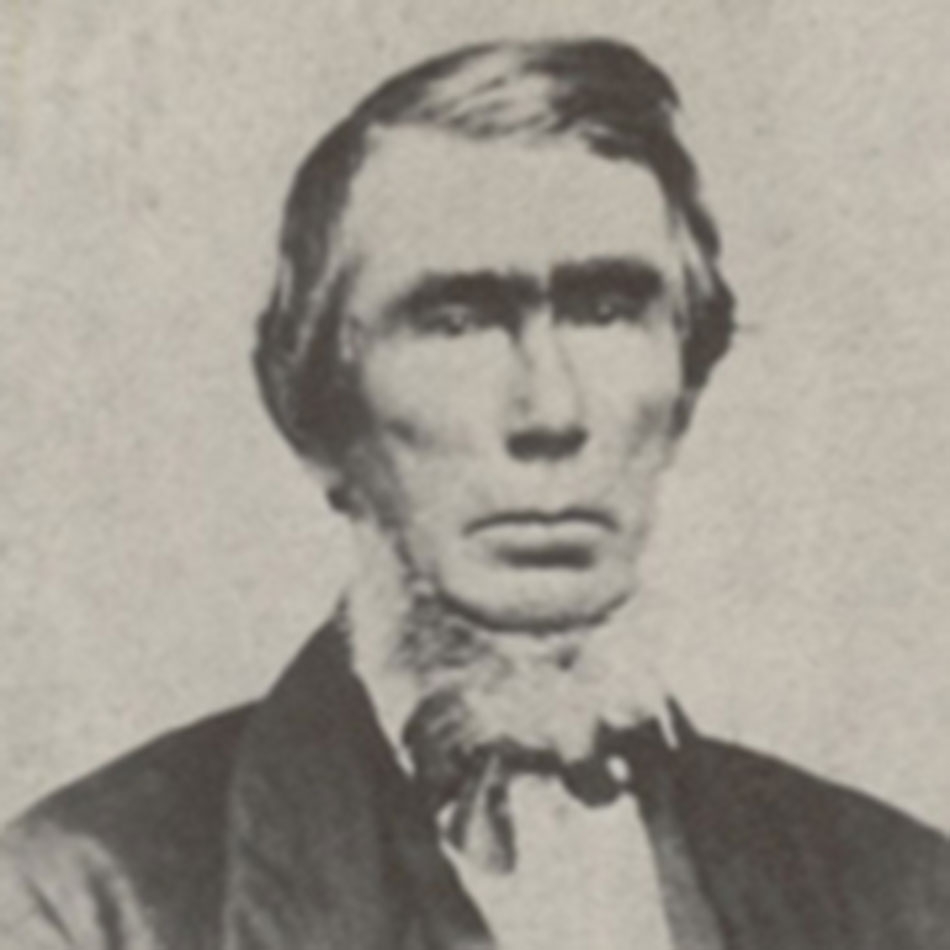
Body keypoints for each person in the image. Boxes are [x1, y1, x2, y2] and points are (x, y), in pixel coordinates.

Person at [1, 37, 948, 950]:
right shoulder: (79, 902)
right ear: (314, 416)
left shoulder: (909, 896)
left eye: (607, 311)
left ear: (687, 390)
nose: (551, 412)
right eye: (456, 322)